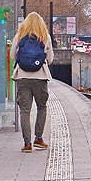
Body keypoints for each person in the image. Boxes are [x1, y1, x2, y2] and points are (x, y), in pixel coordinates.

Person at [11, 12, 53, 153]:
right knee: (41, 107)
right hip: (40, 77)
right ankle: (39, 138)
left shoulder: (19, 37)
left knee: (25, 110)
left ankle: (27, 143)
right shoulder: (45, 37)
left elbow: (12, 56)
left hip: (22, 77)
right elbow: (50, 59)